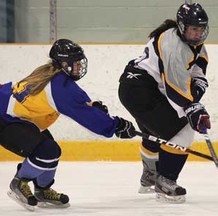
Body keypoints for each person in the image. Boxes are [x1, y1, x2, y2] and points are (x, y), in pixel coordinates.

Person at [0, 39, 136, 211]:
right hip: (5, 119)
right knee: (47, 152)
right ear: (63, 63)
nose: (79, 66)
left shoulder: (56, 77)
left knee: (51, 152)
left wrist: (95, 108)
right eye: (75, 63)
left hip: (18, 118)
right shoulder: (59, 87)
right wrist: (115, 126)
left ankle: (42, 190)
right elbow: (84, 115)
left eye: (80, 62)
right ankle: (19, 183)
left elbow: (82, 104)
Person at [118, 3, 210, 203]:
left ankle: (149, 176)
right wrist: (192, 108)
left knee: (155, 134)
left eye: (201, 28)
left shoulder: (194, 46)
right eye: (194, 28)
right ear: (182, 26)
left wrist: (195, 100)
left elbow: (196, 73)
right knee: (182, 132)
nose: (198, 33)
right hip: (140, 90)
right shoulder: (172, 45)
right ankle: (165, 181)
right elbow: (175, 89)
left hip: (136, 87)